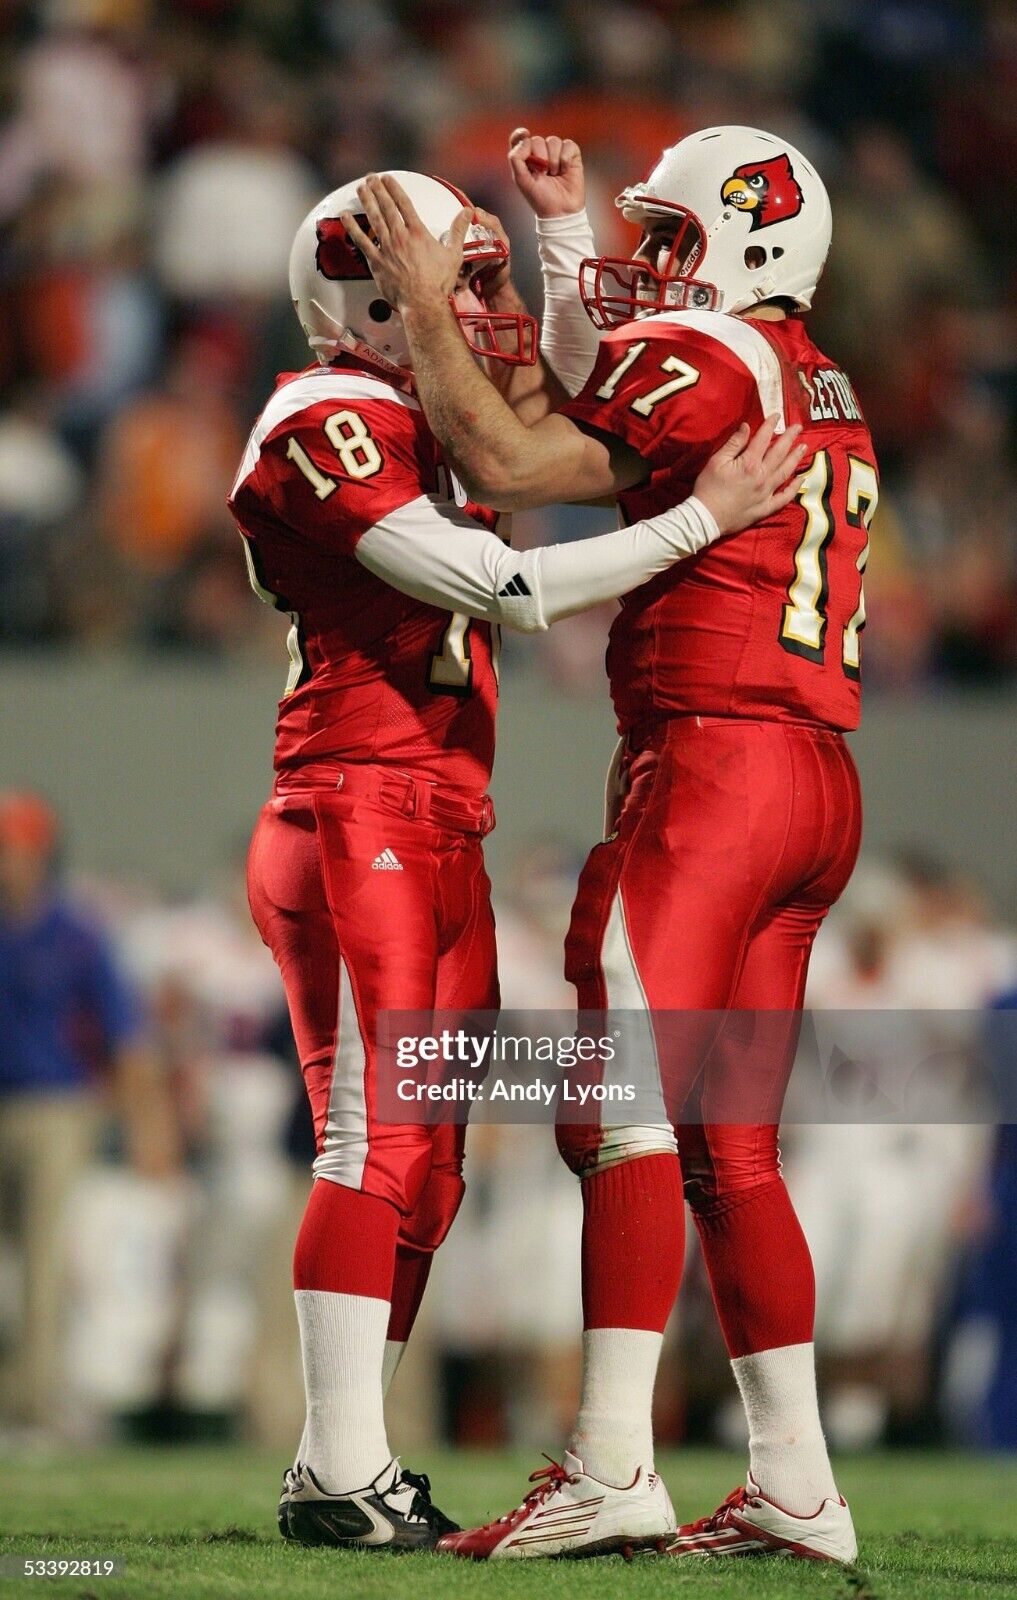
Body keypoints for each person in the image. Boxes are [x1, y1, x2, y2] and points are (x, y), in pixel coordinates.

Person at [226, 167, 805, 1551]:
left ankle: (339, 1465)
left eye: (482, 282)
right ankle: (339, 1472)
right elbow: (507, 585)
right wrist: (697, 524)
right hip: (351, 810)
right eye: (452, 282)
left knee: (427, 1166)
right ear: (363, 295)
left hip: (431, 823)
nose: (473, 312)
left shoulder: (405, 412)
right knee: (372, 1147)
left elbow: (546, 401)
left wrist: (553, 238)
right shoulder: (322, 415)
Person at [349, 124, 877, 1563]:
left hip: (712, 772)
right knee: (731, 1152)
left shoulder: (711, 363)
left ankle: (610, 1462)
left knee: (617, 1110)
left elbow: (513, 449)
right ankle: (797, 1486)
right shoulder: (807, 375)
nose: (648, 265)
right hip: (814, 781)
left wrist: (415, 292)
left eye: (670, 238)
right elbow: (608, 391)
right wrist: (568, 238)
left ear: (744, 247)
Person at [0, 790, 176, 1433]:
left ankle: (34, 1404)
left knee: (46, 1262)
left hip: (56, 1109)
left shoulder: (76, 934)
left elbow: (128, 1039)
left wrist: (147, 1128)